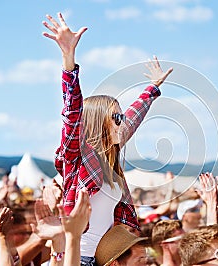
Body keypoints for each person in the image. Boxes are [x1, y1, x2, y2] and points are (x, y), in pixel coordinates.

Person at [42, 12, 173, 265]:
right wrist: (68, 60)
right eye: (116, 117)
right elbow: (71, 114)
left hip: (103, 258)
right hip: (74, 258)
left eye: (121, 117)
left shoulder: (109, 164)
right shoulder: (78, 157)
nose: (122, 122)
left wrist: (152, 89)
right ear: (96, 123)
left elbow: (133, 118)